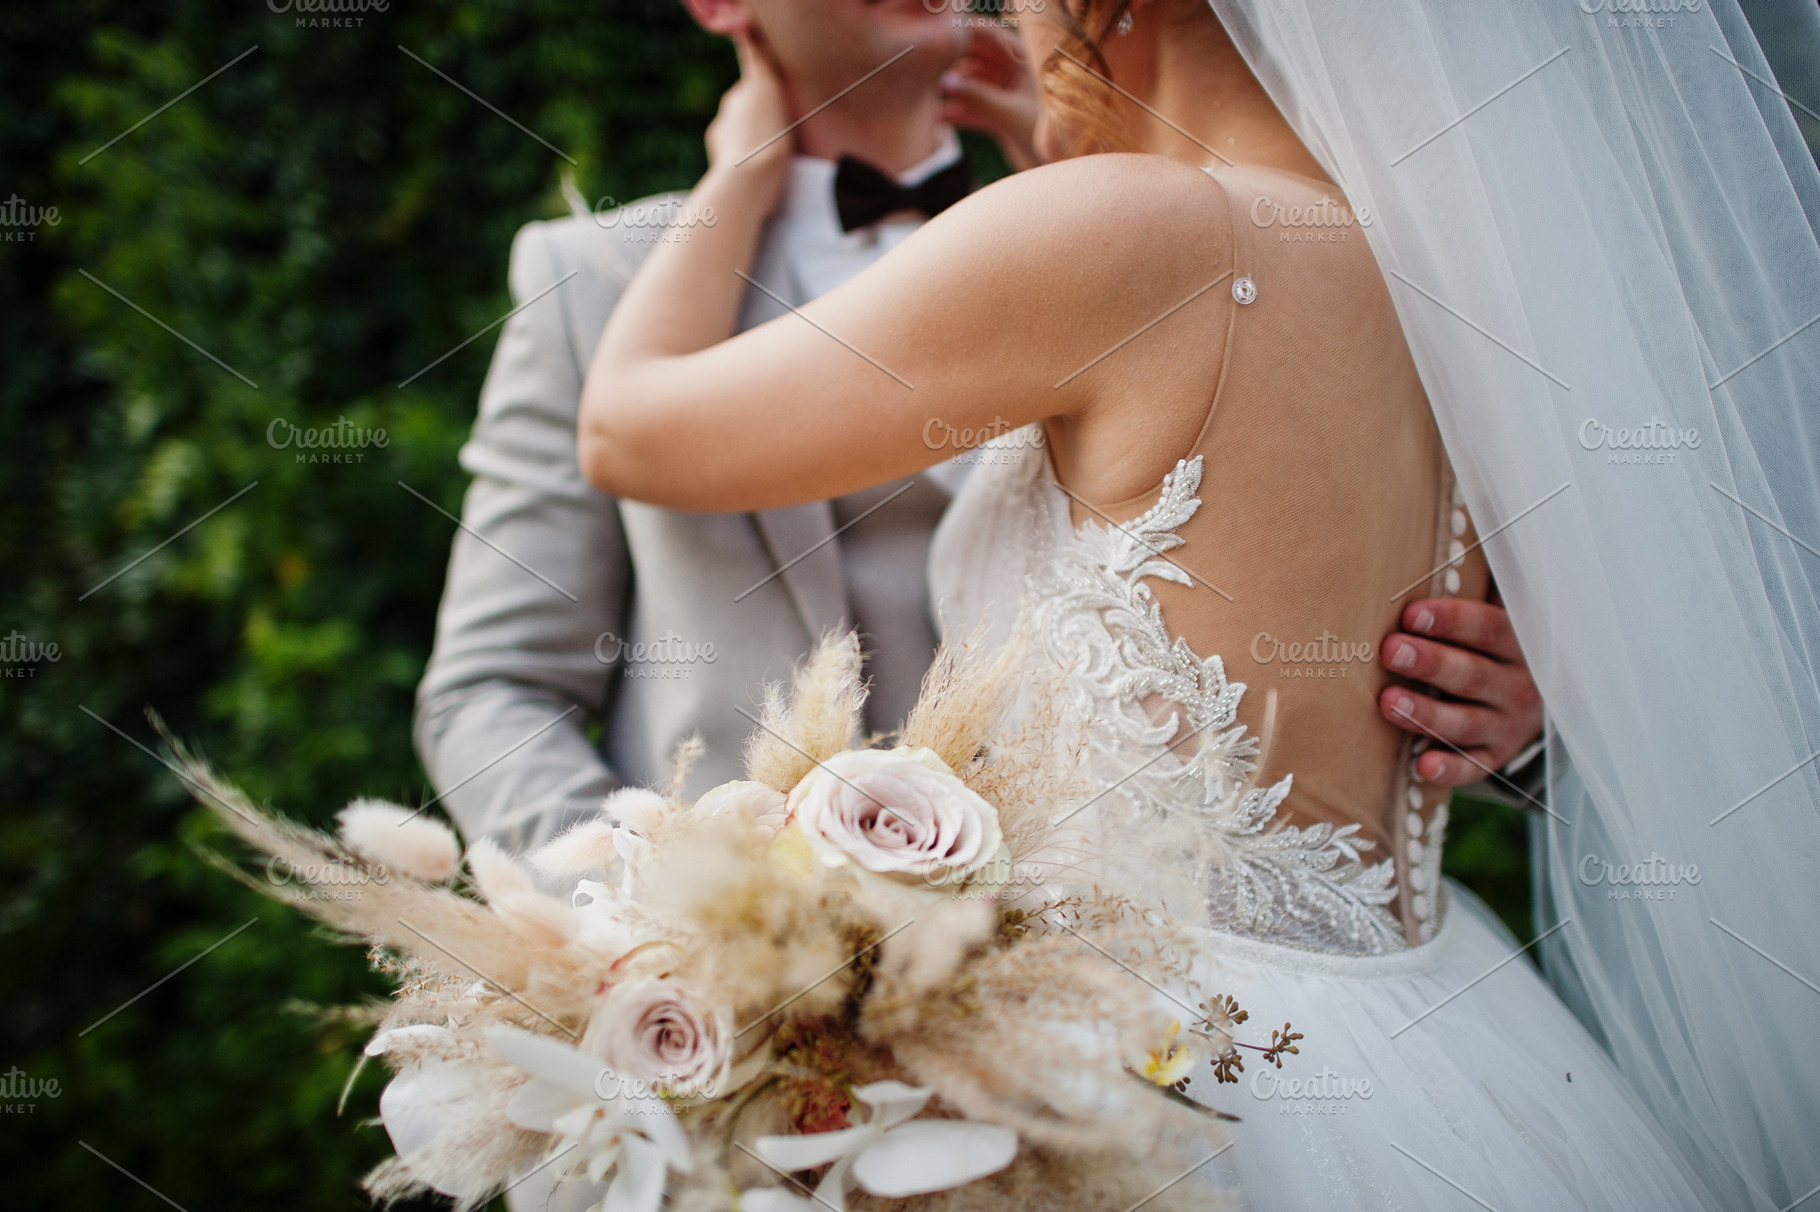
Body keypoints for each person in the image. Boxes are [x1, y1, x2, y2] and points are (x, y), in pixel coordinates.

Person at [570, 0, 1738, 1207]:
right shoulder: (1458, 276)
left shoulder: (1131, 233)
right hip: (1430, 1039)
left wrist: (742, 161)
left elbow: (628, 431)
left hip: (1140, 1050)